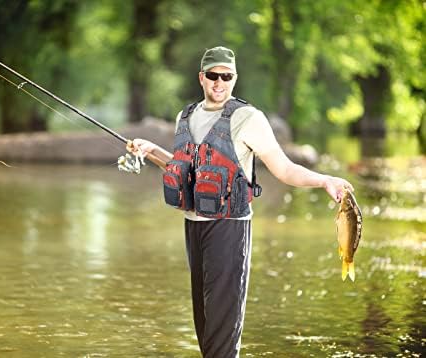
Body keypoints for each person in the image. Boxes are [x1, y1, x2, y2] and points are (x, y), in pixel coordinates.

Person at [128, 46, 353, 358]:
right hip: (193, 228)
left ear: (234, 78)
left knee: (222, 332)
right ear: (201, 78)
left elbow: (285, 169)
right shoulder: (186, 116)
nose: (219, 82)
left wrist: (325, 180)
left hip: (229, 230)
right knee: (204, 326)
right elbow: (186, 171)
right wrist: (151, 149)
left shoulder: (249, 119)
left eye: (227, 76)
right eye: (213, 75)